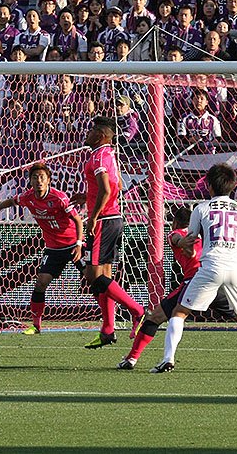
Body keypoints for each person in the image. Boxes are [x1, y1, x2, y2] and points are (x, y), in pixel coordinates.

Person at [149, 164, 237, 373]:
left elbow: (190, 241)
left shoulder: (201, 208)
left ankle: (168, 359)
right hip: (235, 269)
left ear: (209, 186)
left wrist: (183, 246)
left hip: (210, 267)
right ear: (233, 186)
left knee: (179, 312)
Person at [118, 206, 237, 369]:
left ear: (175, 222)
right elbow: (235, 263)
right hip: (221, 280)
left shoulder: (176, 233)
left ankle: (133, 358)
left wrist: (182, 243)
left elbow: (176, 239)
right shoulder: (207, 236)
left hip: (197, 281)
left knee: (157, 317)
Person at [0, 163, 83, 335]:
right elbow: (12, 201)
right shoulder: (28, 197)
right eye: (35, 177)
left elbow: (78, 220)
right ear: (30, 181)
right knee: (41, 283)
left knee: (94, 280)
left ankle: (110, 321)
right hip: (53, 248)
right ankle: (36, 326)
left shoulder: (59, 198)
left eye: (42, 177)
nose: (38, 181)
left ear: (48, 180)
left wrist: (79, 244)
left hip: (73, 245)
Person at [71, 117, 145, 349]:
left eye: (92, 129)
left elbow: (105, 189)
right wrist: (88, 196)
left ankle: (137, 310)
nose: (88, 132)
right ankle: (108, 330)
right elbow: (117, 185)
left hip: (104, 220)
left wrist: (93, 216)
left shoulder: (99, 156)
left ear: (101, 135)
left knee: (94, 276)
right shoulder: (110, 154)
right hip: (113, 218)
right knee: (105, 276)